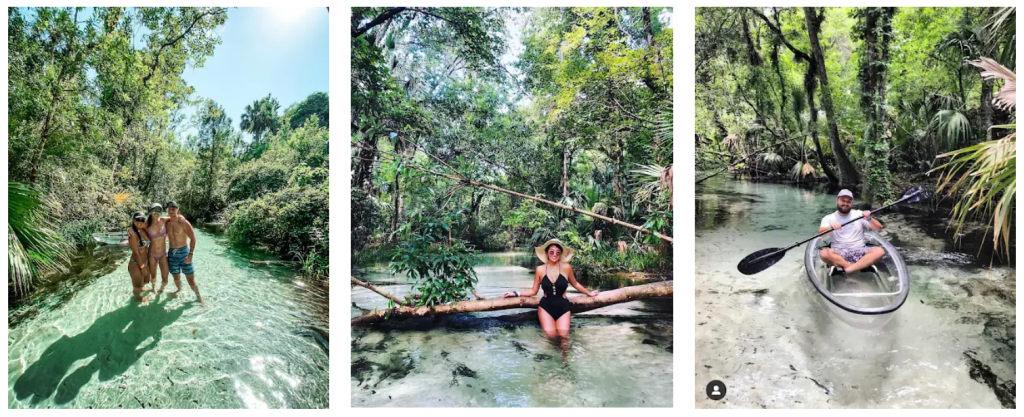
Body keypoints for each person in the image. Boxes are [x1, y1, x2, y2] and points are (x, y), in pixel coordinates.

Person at [502, 239, 600, 339]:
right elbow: (533, 291)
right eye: (552, 252)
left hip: (563, 307)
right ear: (547, 253)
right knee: (551, 337)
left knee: (564, 338)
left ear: (561, 254)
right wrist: (516, 293)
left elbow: (575, 284)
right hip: (545, 308)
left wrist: (589, 293)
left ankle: (564, 355)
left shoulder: (567, 267)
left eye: (558, 252)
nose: (555, 255)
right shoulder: (540, 269)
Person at [818, 189, 885, 275]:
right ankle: (859, 265)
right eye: (843, 200)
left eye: (848, 201)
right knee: (824, 254)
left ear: (851, 203)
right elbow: (821, 235)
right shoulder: (829, 218)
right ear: (837, 201)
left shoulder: (859, 214)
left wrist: (869, 218)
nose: (845, 203)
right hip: (839, 252)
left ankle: (848, 269)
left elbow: (878, 228)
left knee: (880, 251)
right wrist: (831, 227)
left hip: (860, 250)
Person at [165, 201, 204, 307]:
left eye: (174, 208)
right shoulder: (167, 223)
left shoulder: (183, 222)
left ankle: (199, 298)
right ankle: (178, 290)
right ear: (167, 210)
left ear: (177, 209)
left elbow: (193, 238)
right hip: (172, 253)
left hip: (183, 252)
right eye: (169, 209)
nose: (171, 210)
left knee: (191, 280)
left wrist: (190, 254)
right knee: (176, 277)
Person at [126, 212, 151, 302]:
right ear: (133, 220)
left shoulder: (142, 230)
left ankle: (141, 289)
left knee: (145, 281)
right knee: (137, 286)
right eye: (137, 219)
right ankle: (137, 298)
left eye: (142, 220)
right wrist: (142, 267)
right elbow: (136, 253)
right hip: (136, 264)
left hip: (144, 262)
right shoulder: (132, 235)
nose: (140, 222)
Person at [146, 203, 171, 293]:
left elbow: (176, 217)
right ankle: (153, 288)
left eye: (158, 210)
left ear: (161, 212)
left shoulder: (164, 220)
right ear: (150, 211)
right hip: (152, 254)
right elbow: (137, 229)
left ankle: (161, 289)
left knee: (165, 276)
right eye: (154, 210)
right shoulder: (147, 224)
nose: (156, 212)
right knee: (153, 275)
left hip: (163, 254)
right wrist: (129, 230)